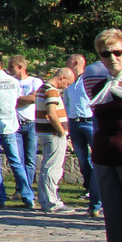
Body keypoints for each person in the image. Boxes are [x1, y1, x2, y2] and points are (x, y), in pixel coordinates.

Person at [83, 28, 122, 242]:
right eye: (105, 53)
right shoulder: (96, 83)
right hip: (103, 156)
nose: (112, 58)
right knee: (114, 220)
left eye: (118, 52)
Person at [0, 51, 35, 209]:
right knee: (16, 161)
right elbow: (17, 100)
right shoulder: (14, 82)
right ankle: (27, 195)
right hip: (10, 125)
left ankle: (0, 197)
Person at [34, 67, 75, 213]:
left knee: (46, 166)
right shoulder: (51, 91)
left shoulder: (41, 88)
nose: (67, 87)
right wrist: (61, 131)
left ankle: (45, 199)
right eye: (68, 83)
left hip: (44, 133)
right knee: (53, 168)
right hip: (53, 134)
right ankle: (53, 202)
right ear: (62, 78)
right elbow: (51, 113)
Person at [64, 52, 101, 216]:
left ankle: (96, 194)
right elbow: (66, 102)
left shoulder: (88, 79)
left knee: (97, 158)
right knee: (82, 159)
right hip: (74, 122)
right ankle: (89, 188)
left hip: (88, 120)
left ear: (75, 63)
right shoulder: (70, 83)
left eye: (68, 62)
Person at [11, 55, 45, 179]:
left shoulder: (35, 81)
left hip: (31, 124)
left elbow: (35, 98)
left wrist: (17, 99)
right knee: (18, 159)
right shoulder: (11, 82)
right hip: (16, 124)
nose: (9, 69)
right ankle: (20, 187)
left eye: (11, 67)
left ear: (20, 67)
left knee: (30, 159)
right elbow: (9, 101)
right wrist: (26, 99)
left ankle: (28, 187)